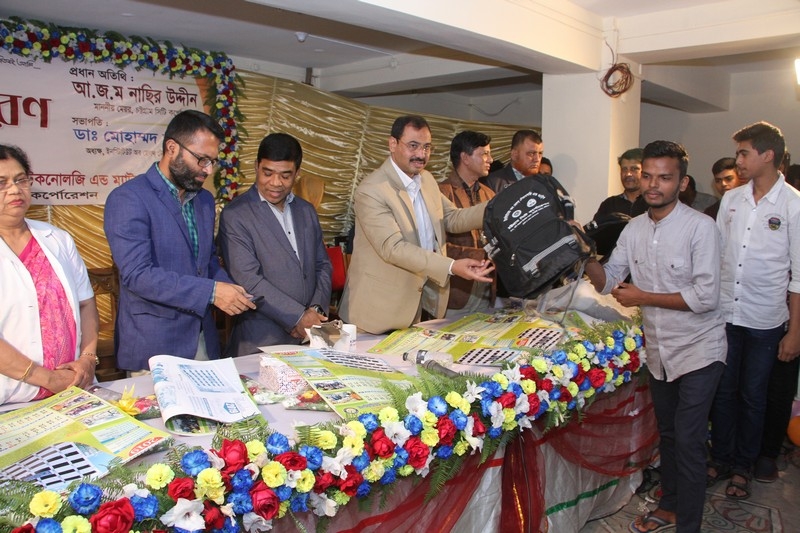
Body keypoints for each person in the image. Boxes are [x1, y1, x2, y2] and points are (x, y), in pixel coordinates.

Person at [584, 140, 725, 533]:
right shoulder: (634, 230)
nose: (652, 184)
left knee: (690, 440)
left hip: (700, 350)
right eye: (648, 176)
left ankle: (688, 525)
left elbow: (705, 297)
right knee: (670, 435)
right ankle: (670, 506)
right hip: (661, 352)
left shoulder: (701, 228)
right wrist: (583, 256)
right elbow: (609, 280)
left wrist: (643, 296)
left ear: (682, 183)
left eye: (664, 178)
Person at [104, 110, 255, 372]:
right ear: (172, 148)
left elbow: (206, 261)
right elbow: (138, 275)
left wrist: (231, 289)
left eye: (213, 161)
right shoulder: (129, 198)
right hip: (155, 345)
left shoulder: (204, 200)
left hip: (202, 338)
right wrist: (211, 292)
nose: (208, 170)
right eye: (202, 159)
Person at [708, 121, 800, 500]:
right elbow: (716, 255)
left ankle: (744, 465)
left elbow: (799, 276)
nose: (739, 161)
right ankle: (722, 458)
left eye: (744, 153)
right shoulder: (732, 199)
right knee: (723, 392)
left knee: (753, 395)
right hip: (726, 314)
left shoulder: (793, 204)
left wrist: (795, 332)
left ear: (767, 155)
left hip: (765, 320)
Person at [338, 115, 493, 334]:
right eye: (413, 146)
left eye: (427, 147)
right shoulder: (372, 190)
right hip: (376, 312)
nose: (421, 154)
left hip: (418, 306)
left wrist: (497, 207)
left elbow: (452, 218)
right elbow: (393, 248)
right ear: (393, 144)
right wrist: (451, 266)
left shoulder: (426, 179)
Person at [0, 144, 99, 404]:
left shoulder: (57, 238)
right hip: (12, 396)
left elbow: (86, 303)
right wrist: (48, 379)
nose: (14, 189)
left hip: (73, 387)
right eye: (1, 183)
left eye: (21, 179)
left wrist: (88, 359)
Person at [218, 133, 332, 356]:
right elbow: (248, 279)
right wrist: (298, 317)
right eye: (267, 173)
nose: (275, 183)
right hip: (261, 341)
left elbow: (322, 265)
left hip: (310, 338)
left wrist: (315, 311)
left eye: (285, 175)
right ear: (256, 167)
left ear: (297, 173)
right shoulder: (237, 214)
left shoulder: (306, 211)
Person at [437, 130, 496, 311]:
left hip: (486, 289)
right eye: (484, 154)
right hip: (454, 293)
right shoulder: (441, 193)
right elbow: (434, 247)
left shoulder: (489, 194)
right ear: (465, 158)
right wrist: (479, 255)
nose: (490, 159)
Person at [592, 148, 647, 220]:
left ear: (645, 172)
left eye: (634, 169)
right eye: (624, 169)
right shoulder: (609, 204)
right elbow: (596, 227)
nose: (628, 174)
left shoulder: (652, 203)